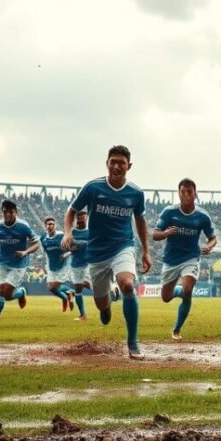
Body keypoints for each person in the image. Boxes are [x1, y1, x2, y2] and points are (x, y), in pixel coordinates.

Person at [64, 145, 151, 360]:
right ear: (107, 163)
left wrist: (146, 251)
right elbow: (71, 211)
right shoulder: (93, 188)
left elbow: (140, 220)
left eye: (121, 162)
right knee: (102, 306)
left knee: (127, 284)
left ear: (129, 166)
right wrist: (67, 233)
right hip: (97, 253)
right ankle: (106, 308)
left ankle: (132, 342)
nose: (116, 165)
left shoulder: (136, 193)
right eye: (113, 161)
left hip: (123, 246)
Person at [152, 178, 217, 340]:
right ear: (178, 193)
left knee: (188, 290)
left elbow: (213, 238)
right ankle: (179, 292)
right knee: (166, 298)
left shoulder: (202, 216)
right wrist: (166, 233)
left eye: (189, 192)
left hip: (191, 258)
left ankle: (176, 329)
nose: (186, 195)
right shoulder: (169, 212)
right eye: (183, 192)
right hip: (170, 260)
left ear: (195, 194)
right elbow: (154, 234)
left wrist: (209, 246)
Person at [0, 200, 38, 328]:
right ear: (2, 212)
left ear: (16, 213)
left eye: (11, 212)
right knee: (1, 291)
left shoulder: (23, 226)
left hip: (19, 264)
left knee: (5, 293)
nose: (8, 215)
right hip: (2, 262)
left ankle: (19, 293)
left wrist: (25, 252)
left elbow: (36, 244)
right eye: (5, 212)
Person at [38, 216, 76, 311]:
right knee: (51, 288)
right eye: (48, 224)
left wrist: (66, 254)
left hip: (63, 265)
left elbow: (73, 248)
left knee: (55, 285)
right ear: (45, 226)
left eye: (52, 224)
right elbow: (45, 251)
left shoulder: (61, 236)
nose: (50, 226)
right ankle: (66, 296)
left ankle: (71, 293)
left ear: (55, 226)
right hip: (51, 265)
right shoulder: (43, 238)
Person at [68, 210, 91, 320]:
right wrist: (69, 247)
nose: (80, 217)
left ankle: (110, 291)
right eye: (78, 215)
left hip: (88, 264)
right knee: (78, 289)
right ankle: (83, 315)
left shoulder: (91, 231)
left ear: (87, 217)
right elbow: (66, 246)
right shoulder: (72, 232)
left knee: (85, 283)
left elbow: (91, 244)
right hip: (75, 264)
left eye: (83, 214)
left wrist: (76, 243)